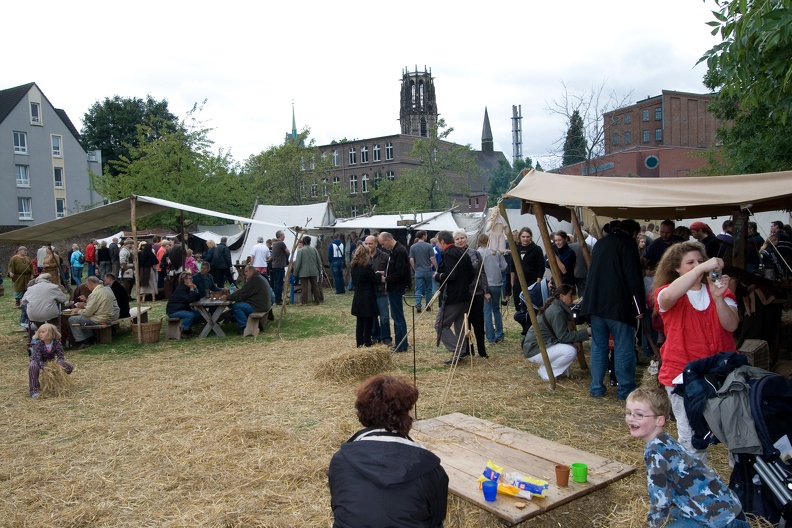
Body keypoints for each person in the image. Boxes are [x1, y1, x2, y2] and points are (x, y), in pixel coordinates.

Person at [652, 241, 738, 461]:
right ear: (677, 269)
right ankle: (695, 484)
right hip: (683, 375)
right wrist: (701, 269)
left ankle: (743, 483)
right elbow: (669, 298)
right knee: (691, 437)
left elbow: (731, 325)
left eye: (700, 261)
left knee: (735, 429)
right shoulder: (666, 293)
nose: (698, 265)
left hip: (720, 373)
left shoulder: (720, 291)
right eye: (690, 263)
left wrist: (719, 298)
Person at [328, 374, 448, 528]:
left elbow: (339, 506)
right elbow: (436, 519)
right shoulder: (430, 467)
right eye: (410, 409)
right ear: (406, 415)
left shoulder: (341, 460)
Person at [625, 386, 749, 528]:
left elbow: (660, 499)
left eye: (639, 415)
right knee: (673, 512)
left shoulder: (655, 452)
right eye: (628, 413)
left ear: (660, 421)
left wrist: (654, 523)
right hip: (733, 512)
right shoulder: (666, 440)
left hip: (723, 522)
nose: (631, 419)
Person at [582, 219, 645, 400]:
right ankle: (625, 390)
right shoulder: (628, 244)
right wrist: (639, 306)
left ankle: (596, 387)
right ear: (633, 233)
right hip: (619, 305)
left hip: (596, 304)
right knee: (623, 347)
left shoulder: (601, 243)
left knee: (598, 347)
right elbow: (634, 277)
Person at [522, 285, 590, 381]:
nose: (573, 298)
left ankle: (560, 374)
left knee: (570, 347)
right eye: (570, 295)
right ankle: (546, 373)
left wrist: (575, 341)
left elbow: (561, 335)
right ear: (561, 296)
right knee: (570, 351)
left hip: (538, 346)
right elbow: (563, 337)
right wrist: (586, 332)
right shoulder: (557, 311)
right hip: (535, 349)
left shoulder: (557, 307)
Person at [434, 230, 474, 364]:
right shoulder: (461, 252)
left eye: (438, 242)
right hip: (463, 295)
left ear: (443, 242)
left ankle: (458, 350)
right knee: (460, 326)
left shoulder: (450, 254)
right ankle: (460, 353)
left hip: (453, 296)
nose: (438, 245)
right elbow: (471, 274)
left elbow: (452, 274)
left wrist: (438, 276)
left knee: (441, 325)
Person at [455, 229, 488, 358]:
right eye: (457, 239)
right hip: (462, 295)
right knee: (465, 323)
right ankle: (469, 350)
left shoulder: (475, 253)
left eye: (462, 238)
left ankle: (482, 351)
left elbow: (482, 272)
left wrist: (486, 291)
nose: (460, 240)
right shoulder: (454, 255)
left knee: (478, 322)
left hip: (477, 292)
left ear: (466, 239)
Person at [378, 232, 411, 352]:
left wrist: (386, 279)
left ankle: (401, 345)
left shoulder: (400, 251)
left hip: (396, 287)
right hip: (394, 287)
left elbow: (400, 272)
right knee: (396, 315)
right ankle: (401, 343)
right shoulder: (395, 250)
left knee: (397, 316)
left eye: (382, 243)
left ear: (388, 240)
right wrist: (385, 273)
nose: (382, 246)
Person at [28, 323, 74, 399]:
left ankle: (60, 382)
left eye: (43, 332)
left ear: (50, 333)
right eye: (39, 332)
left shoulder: (57, 343)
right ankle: (34, 390)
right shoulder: (38, 344)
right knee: (33, 366)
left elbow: (60, 356)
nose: (40, 334)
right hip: (38, 361)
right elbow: (38, 358)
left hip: (51, 361)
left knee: (69, 366)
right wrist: (44, 367)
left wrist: (58, 364)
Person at [68, 276, 116, 349]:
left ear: (91, 283)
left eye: (87, 285)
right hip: (108, 316)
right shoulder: (106, 290)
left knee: (72, 320)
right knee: (84, 319)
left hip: (100, 319)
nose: (87, 287)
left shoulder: (95, 294)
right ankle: (90, 338)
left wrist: (78, 310)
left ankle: (82, 340)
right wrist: (86, 304)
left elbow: (88, 313)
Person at [225, 265, 273, 334]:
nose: (245, 273)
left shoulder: (254, 280)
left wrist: (227, 297)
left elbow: (242, 294)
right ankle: (237, 320)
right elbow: (244, 293)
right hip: (263, 305)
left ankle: (244, 327)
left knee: (236, 306)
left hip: (259, 307)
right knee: (238, 304)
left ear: (252, 272)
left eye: (246, 271)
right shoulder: (257, 278)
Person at [479, 234, 508, 344]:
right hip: (496, 283)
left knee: (486, 312)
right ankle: (500, 334)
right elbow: (504, 266)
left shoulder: (478, 253)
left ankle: (491, 338)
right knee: (496, 309)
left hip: (484, 284)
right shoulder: (496, 252)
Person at [350, 245, 381, 347]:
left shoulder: (354, 266)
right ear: (366, 255)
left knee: (360, 322)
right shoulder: (367, 267)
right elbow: (375, 280)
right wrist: (379, 274)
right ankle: (367, 342)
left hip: (358, 295)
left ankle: (359, 343)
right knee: (368, 321)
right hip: (367, 296)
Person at [365, 235, 391, 346]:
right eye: (366, 244)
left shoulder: (384, 256)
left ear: (376, 244)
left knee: (384, 317)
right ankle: (375, 336)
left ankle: (386, 337)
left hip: (381, 290)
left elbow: (389, 271)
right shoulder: (363, 257)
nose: (368, 246)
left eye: (370, 243)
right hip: (369, 291)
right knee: (373, 316)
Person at [511, 227, 545, 310]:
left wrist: (537, 283)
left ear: (531, 237)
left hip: (532, 282)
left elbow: (541, 266)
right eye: (523, 237)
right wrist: (512, 283)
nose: (525, 239)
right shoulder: (516, 249)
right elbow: (512, 267)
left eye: (527, 237)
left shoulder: (536, 249)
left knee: (531, 305)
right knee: (519, 305)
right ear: (520, 237)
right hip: (518, 282)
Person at [166, 272, 202, 336]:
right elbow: (190, 299)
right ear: (184, 279)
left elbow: (196, 299)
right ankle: (182, 330)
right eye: (189, 279)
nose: (191, 280)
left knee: (199, 314)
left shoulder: (187, 287)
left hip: (182, 309)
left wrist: (195, 289)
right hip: (174, 311)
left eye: (191, 279)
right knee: (190, 315)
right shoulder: (181, 289)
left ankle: (187, 328)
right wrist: (191, 289)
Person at [409, 230, 436, 313]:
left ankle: (418, 305)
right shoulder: (429, 246)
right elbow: (432, 258)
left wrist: (414, 268)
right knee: (428, 288)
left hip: (418, 270)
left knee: (418, 289)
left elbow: (411, 260)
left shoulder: (413, 247)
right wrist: (436, 267)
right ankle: (428, 305)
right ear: (424, 236)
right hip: (427, 270)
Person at [292, 235, 323, 306]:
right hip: (314, 271)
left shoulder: (301, 251)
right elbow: (318, 261)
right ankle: (317, 300)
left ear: (303, 242)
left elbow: (298, 263)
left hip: (303, 272)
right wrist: (319, 270)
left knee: (304, 287)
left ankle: (304, 302)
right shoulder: (314, 250)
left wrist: (295, 273)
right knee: (315, 286)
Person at [270, 230, 290, 304]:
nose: (284, 236)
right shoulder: (281, 243)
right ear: (280, 236)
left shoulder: (274, 243)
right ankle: (278, 300)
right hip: (279, 265)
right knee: (279, 283)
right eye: (283, 235)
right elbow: (288, 252)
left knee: (276, 283)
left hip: (275, 265)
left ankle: (277, 298)